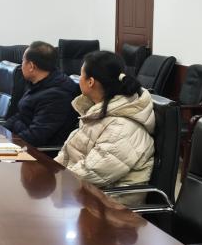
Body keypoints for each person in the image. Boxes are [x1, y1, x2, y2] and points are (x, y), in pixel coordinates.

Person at [55, 50, 156, 189]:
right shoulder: (96, 112)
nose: (79, 78)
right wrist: (49, 171)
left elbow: (92, 173)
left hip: (110, 198)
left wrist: (54, 180)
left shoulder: (121, 127)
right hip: (83, 189)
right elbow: (70, 155)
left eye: (81, 74)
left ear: (90, 82)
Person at [2, 41, 79, 147]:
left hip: (38, 153)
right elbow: (21, 114)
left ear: (31, 66)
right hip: (22, 142)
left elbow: (35, 137)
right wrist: (1, 132)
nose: (21, 65)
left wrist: (7, 142)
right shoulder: (39, 83)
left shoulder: (57, 95)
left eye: (23, 61)